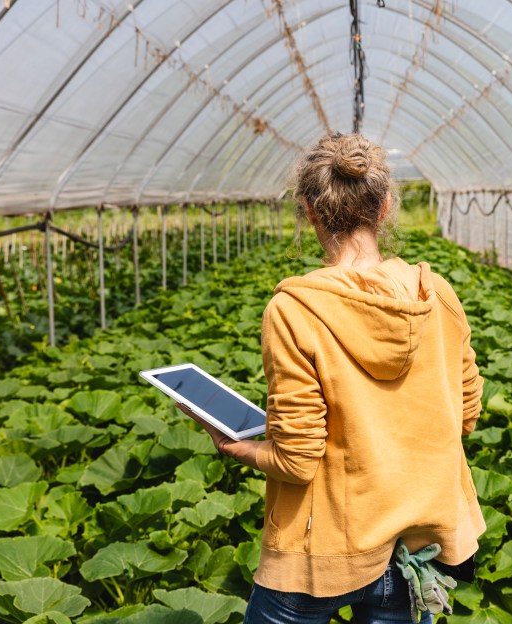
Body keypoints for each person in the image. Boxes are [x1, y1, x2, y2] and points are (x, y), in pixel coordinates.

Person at [182, 132, 485, 623]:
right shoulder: (437, 294)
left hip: (321, 553)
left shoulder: (294, 310)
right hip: (416, 545)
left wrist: (236, 445)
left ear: (309, 210)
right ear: (384, 206)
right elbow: (466, 414)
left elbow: (298, 460)